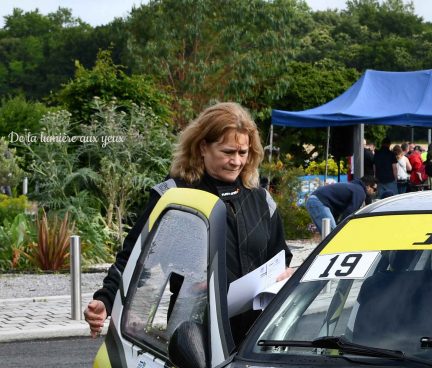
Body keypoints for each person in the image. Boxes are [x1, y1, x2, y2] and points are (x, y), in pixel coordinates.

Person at [84, 101, 292, 340]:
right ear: (203, 147)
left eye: (242, 153)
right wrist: (105, 300)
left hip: (257, 334)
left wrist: (285, 273)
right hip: (194, 336)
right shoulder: (172, 194)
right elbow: (134, 256)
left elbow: (280, 257)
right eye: (227, 152)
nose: (236, 161)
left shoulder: (260, 198)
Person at [305, 174, 377, 237]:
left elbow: (338, 211)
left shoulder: (353, 187)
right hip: (319, 202)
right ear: (368, 186)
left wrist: (338, 224)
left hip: (315, 201)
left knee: (329, 235)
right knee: (333, 237)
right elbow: (350, 213)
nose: (375, 192)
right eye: (374, 189)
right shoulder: (360, 192)